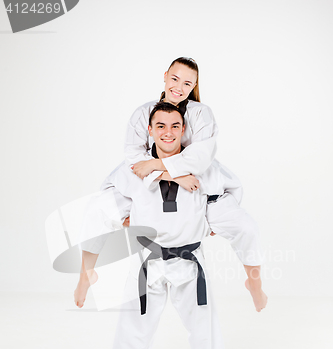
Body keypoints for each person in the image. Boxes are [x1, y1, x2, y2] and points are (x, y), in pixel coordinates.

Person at [74, 57, 267, 313]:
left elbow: (199, 158)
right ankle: (86, 273)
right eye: (175, 79)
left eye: (187, 83)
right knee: (96, 211)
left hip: (198, 185)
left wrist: (157, 167)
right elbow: (135, 159)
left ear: (194, 86)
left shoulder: (201, 113)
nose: (179, 86)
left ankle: (254, 281)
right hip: (148, 183)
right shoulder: (143, 112)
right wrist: (171, 175)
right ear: (165, 76)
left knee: (246, 226)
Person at [84, 102, 236, 349]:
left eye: (175, 125)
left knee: (204, 328)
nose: (168, 132)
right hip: (148, 261)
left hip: (188, 260)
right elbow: (106, 196)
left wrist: (214, 219)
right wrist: (123, 215)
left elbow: (233, 190)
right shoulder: (134, 167)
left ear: (185, 131)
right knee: (133, 327)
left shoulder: (204, 166)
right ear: (150, 130)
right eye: (161, 126)